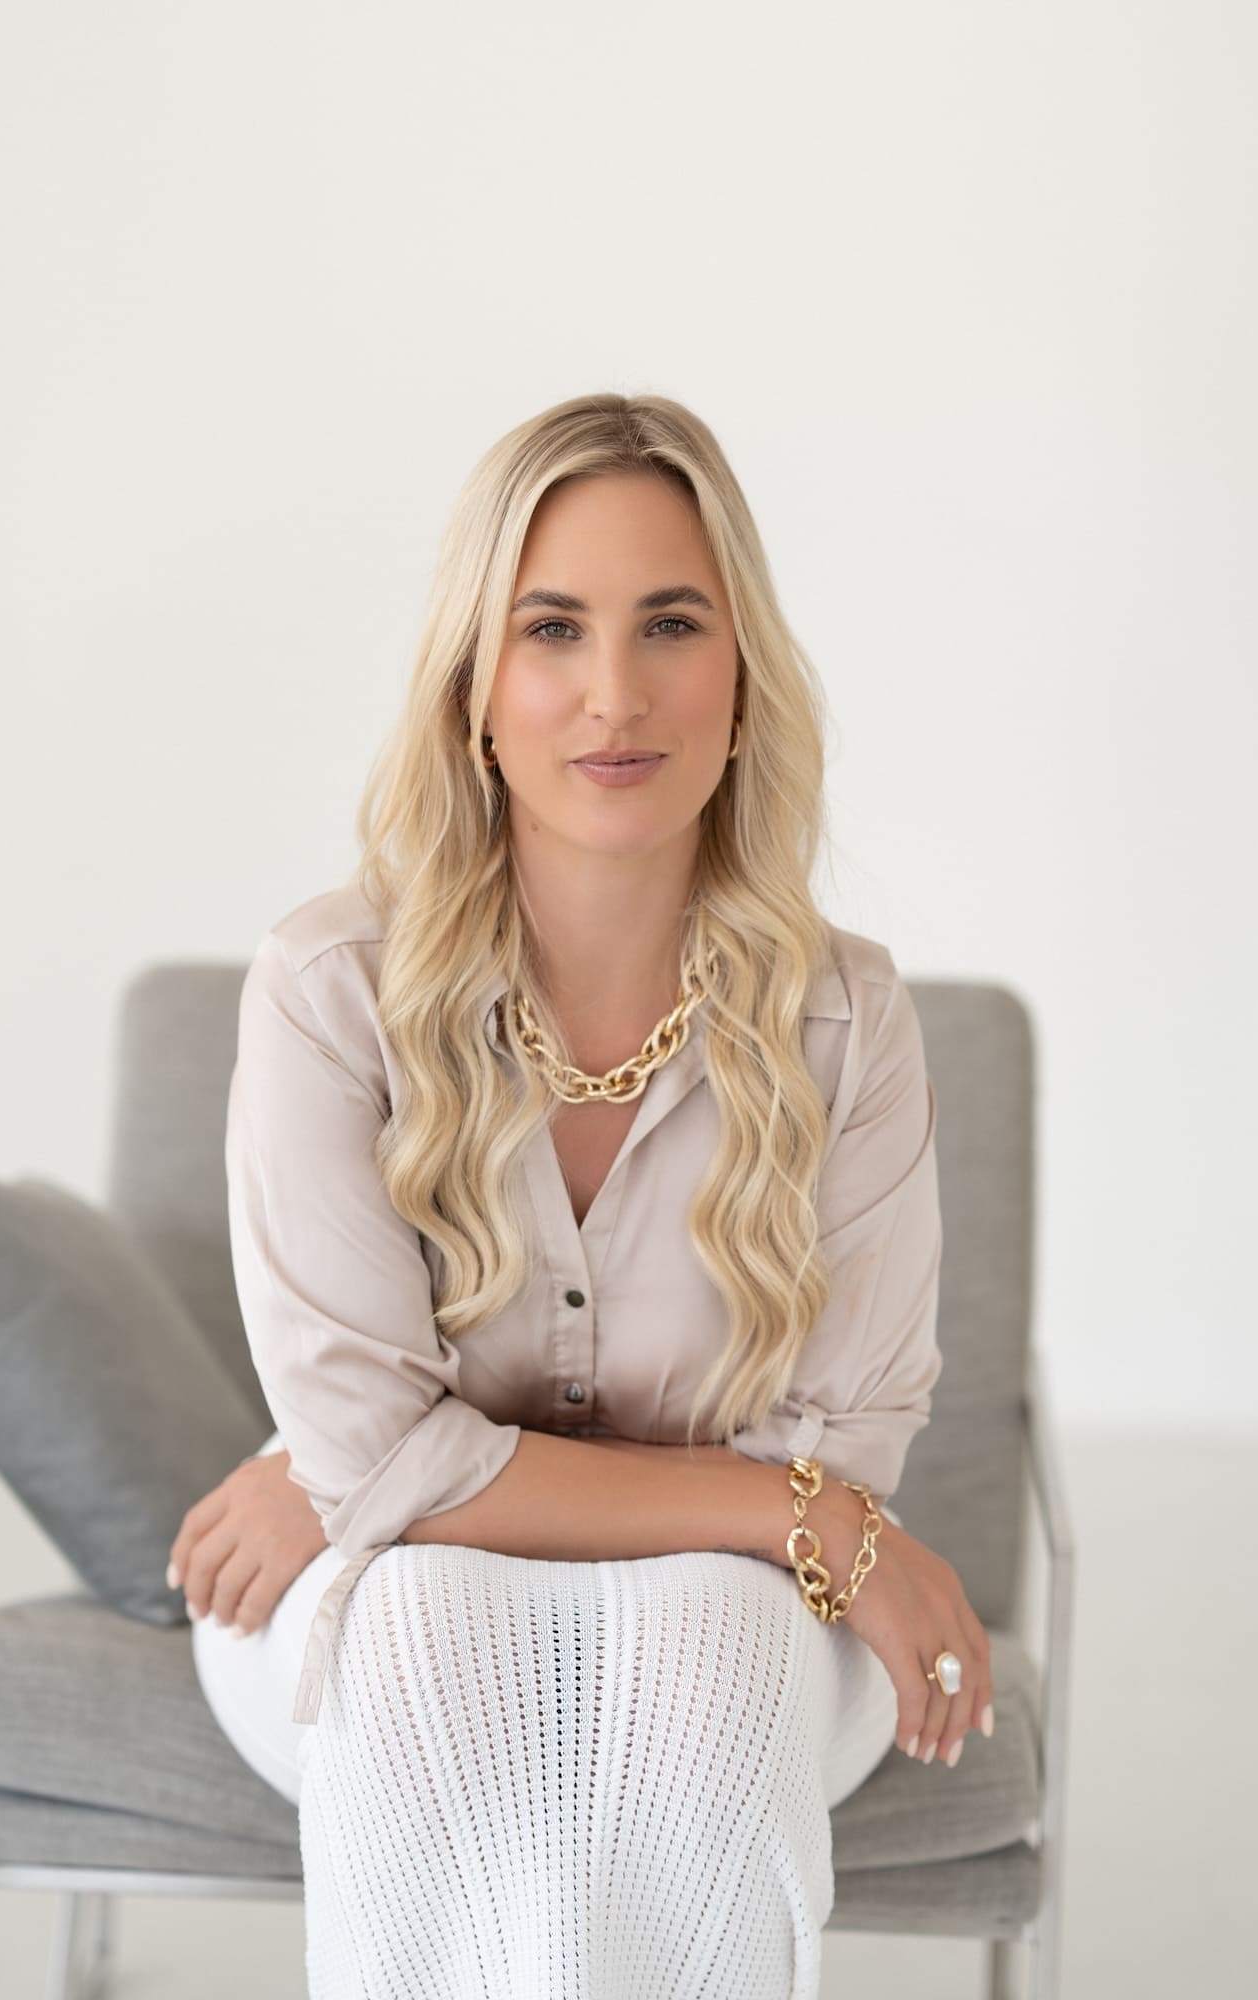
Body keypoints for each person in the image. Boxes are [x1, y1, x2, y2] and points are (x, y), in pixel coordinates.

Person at [175, 391, 993, 1999]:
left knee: (698, 1637)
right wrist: (793, 1515)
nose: (614, 693)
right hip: (402, 1599)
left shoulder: (845, 1023)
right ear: (474, 689)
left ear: (741, 677)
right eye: (551, 628)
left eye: (670, 624)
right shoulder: (328, 989)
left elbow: (840, 1444)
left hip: (744, 1614)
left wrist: (390, 1471)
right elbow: (795, 1488)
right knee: (426, 1623)